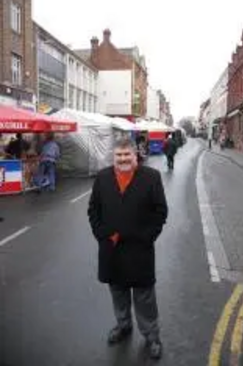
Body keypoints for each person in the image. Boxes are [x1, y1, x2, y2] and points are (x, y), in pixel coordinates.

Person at [88, 137, 168, 360]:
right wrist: (102, 235)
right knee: (118, 291)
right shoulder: (103, 177)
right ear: (113, 156)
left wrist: (147, 237)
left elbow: (160, 212)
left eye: (127, 155)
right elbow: (93, 209)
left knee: (144, 296)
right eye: (119, 155)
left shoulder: (151, 177)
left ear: (136, 155)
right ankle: (123, 326)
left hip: (139, 248)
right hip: (111, 249)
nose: (123, 159)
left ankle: (152, 336)